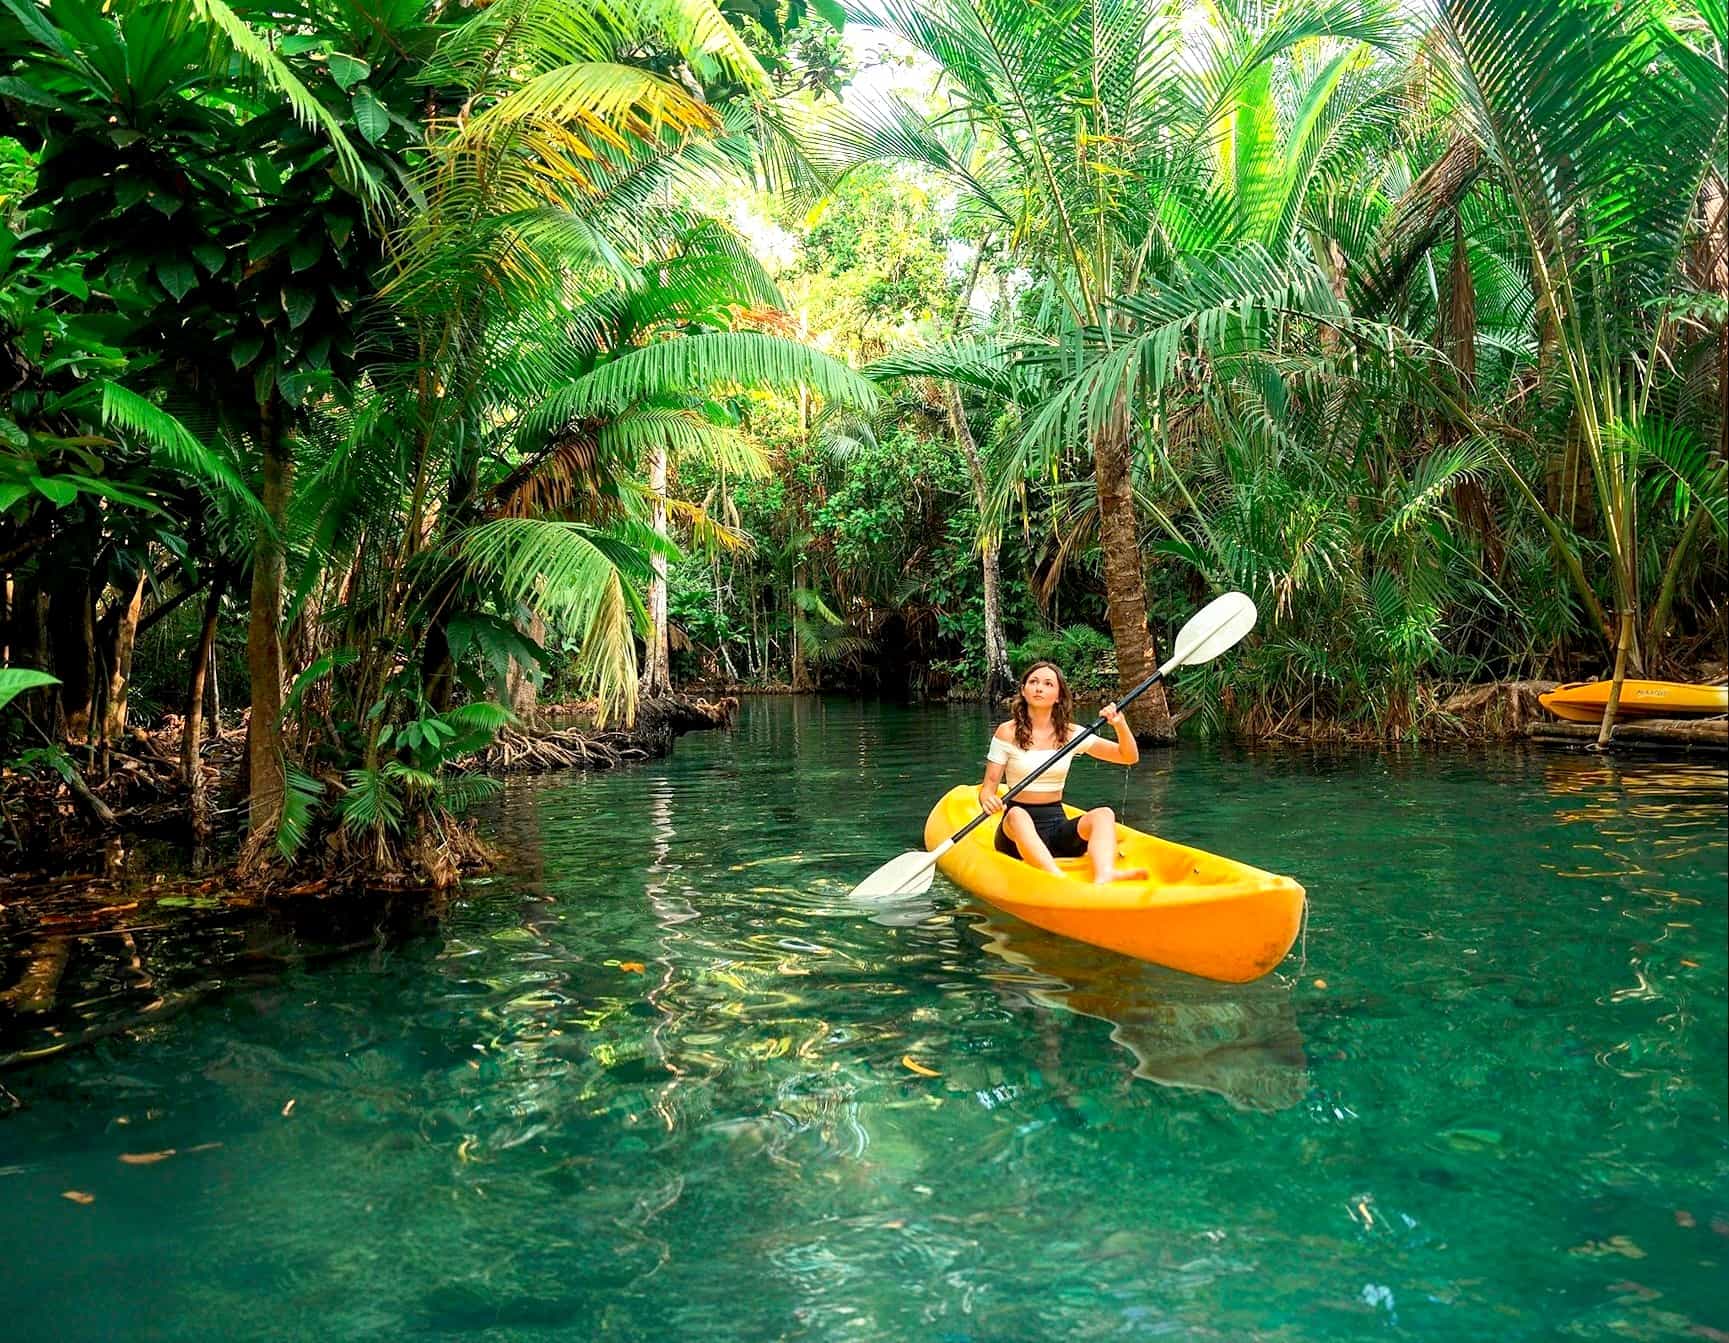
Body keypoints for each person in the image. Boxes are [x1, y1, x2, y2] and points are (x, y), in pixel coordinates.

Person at [978, 660, 1146, 884]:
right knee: (1017, 815)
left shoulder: (1070, 734)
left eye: (1048, 684)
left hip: (1057, 825)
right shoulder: (1006, 732)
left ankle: (1105, 873)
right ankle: (1058, 880)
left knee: (1104, 814)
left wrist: (1119, 724)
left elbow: (1128, 757)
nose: (1039, 687)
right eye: (1033, 682)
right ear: (1023, 690)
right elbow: (988, 789)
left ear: (1058, 696)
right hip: (1016, 830)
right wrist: (988, 800)